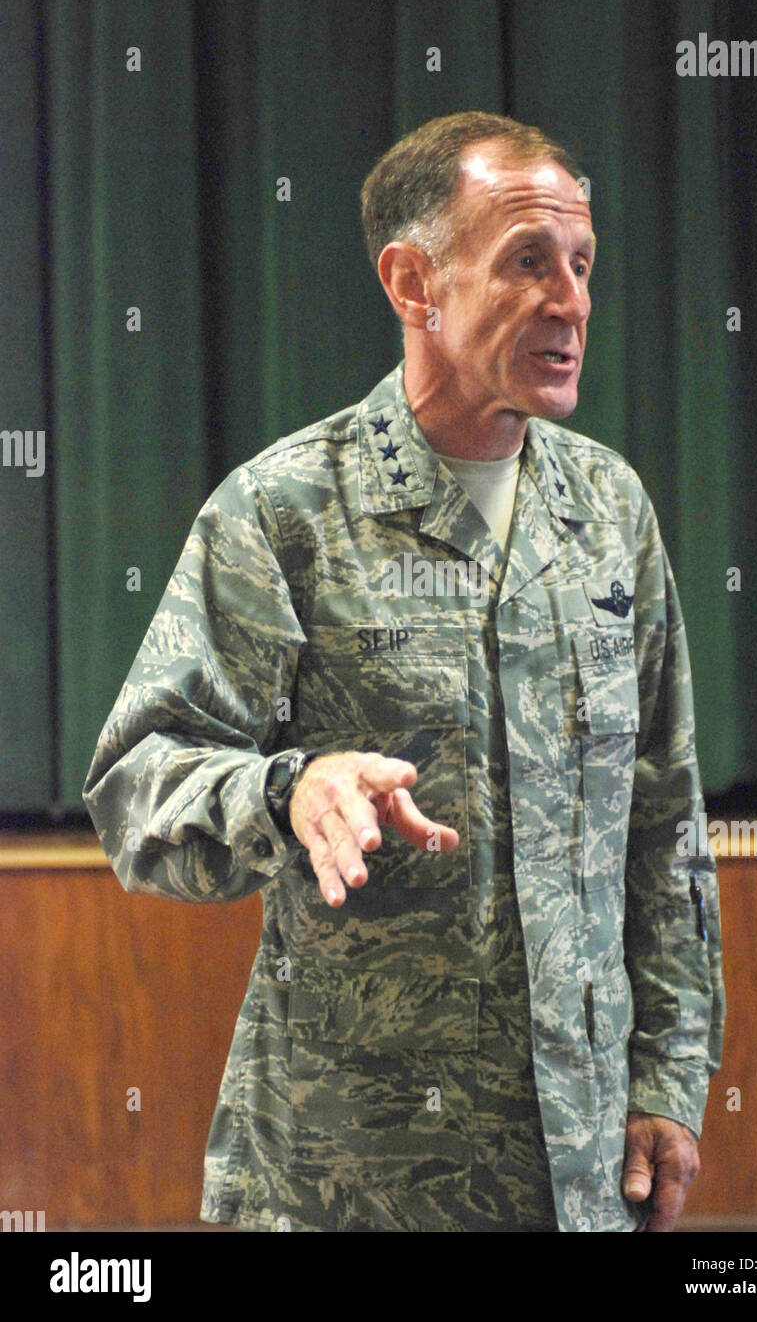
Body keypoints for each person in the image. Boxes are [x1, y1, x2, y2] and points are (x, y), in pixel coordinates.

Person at [83, 110, 724, 1234]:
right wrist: (287, 788)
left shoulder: (610, 511)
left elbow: (664, 824)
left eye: (581, 265)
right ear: (412, 281)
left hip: (580, 1187)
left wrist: (669, 1076)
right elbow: (138, 791)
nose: (571, 301)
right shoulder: (286, 513)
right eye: (528, 262)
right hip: (347, 1186)